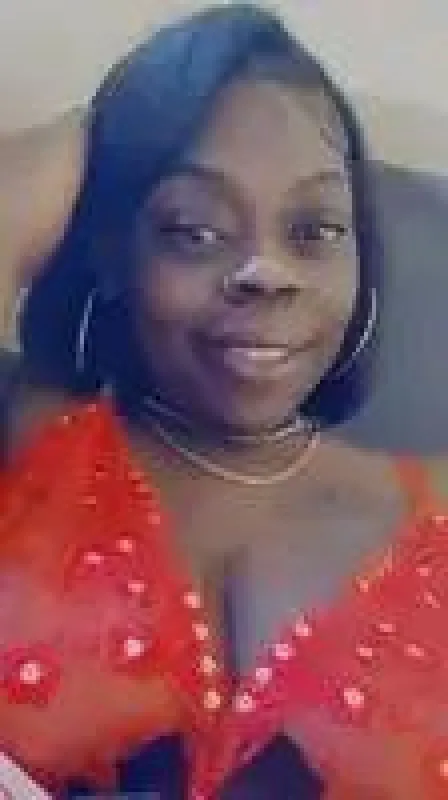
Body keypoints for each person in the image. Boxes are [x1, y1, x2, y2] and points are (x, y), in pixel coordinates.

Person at [1, 4, 447, 799]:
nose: (266, 274)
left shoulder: (437, 513)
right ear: (112, 251)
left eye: (316, 230)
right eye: (196, 230)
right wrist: (90, 139)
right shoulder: (25, 442)